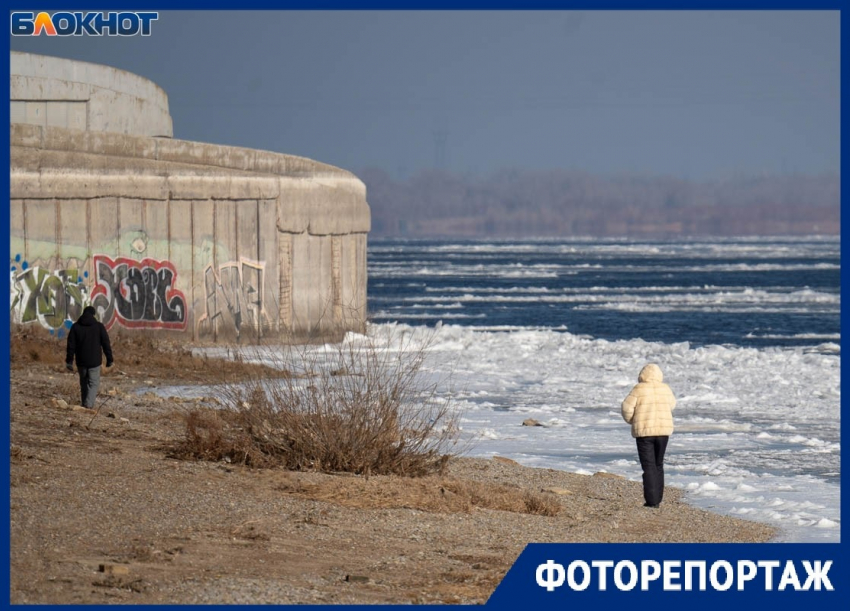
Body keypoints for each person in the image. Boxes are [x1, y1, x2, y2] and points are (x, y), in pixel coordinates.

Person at [621, 363, 677, 508]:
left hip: (644, 432)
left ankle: (652, 501)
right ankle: (657, 499)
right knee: (658, 464)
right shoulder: (665, 389)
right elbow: (672, 405)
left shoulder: (638, 389)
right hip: (663, 432)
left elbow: (626, 408)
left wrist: (633, 421)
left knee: (649, 466)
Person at [66, 306, 114, 409]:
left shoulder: (75, 327)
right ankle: (88, 405)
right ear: (93, 314)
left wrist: (69, 361)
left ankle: (84, 404)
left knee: (84, 383)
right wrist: (109, 360)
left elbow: (71, 345)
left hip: (81, 361)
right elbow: (106, 344)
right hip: (95, 361)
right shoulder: (99, 327)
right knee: (94, 383)